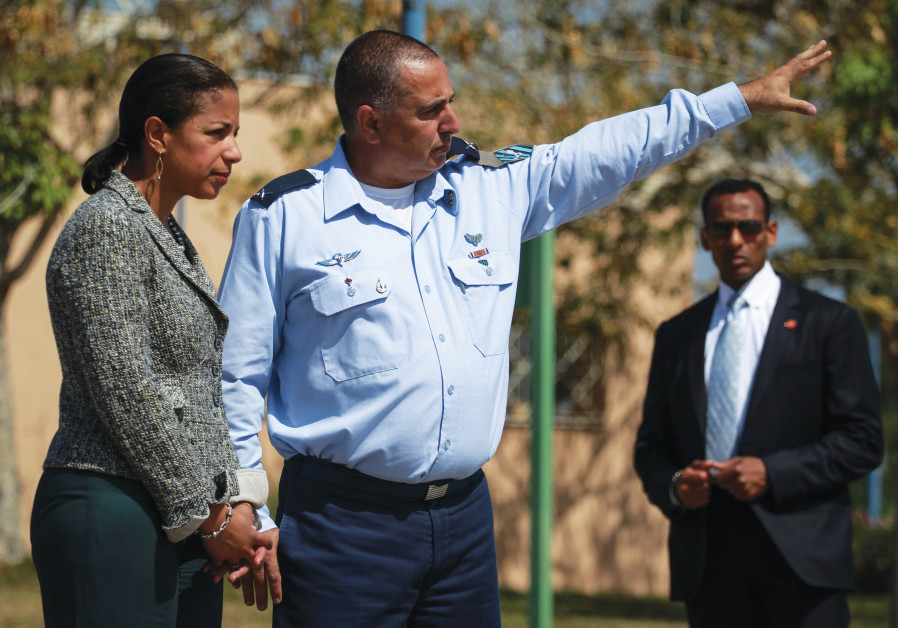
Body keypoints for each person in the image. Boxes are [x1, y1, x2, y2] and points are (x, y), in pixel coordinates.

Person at [218, 30, 832, 626]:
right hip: (342, 524)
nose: (453, 123)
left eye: (451, 102)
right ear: (371, 122)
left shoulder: (492, 189)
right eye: (432, 110)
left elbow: (613, 147)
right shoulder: (284, 216)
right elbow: (235, 373)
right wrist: (245, 500)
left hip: (462, 521)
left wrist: (741, 99)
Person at [30, 53, 274, 628]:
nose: (234, 152)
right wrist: (212, 519)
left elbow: (195, 392)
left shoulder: (166, 232)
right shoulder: (106, 228)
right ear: (158, 134)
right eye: (217, 133)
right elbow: (129, 392)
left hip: (178, 516)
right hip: (111, 511)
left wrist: (236, 508)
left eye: (234, 134)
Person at [634, 178, 883, 627]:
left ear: (770, 232)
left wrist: (773, 473)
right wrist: (675, 485)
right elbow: (651, 446)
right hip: (710, 564)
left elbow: (862, 441)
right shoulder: (677, 334)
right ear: (704, 238)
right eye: (721, 228)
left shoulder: (829, 323)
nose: (735, 240)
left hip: (803, 563)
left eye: (748, 227)